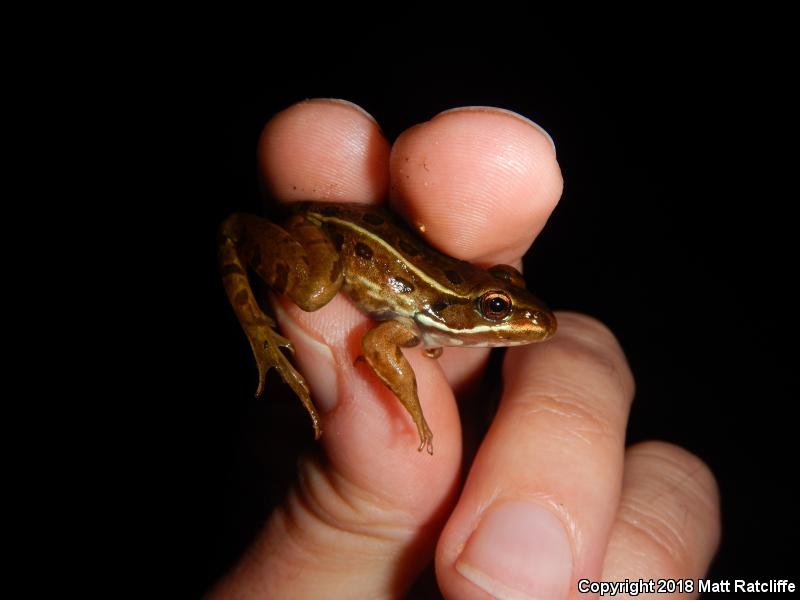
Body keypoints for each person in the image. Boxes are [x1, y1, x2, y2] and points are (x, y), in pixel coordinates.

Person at [207, 99, 720, 599]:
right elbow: (379, 339)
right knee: (316, 293)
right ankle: (240, 264)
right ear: (470, 305)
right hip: (323, 232)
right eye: (496, 306)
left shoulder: (431, 326)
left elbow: (396, 336)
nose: (508, 315)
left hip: (364, 244)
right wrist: (410, 403)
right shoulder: (423, 316)